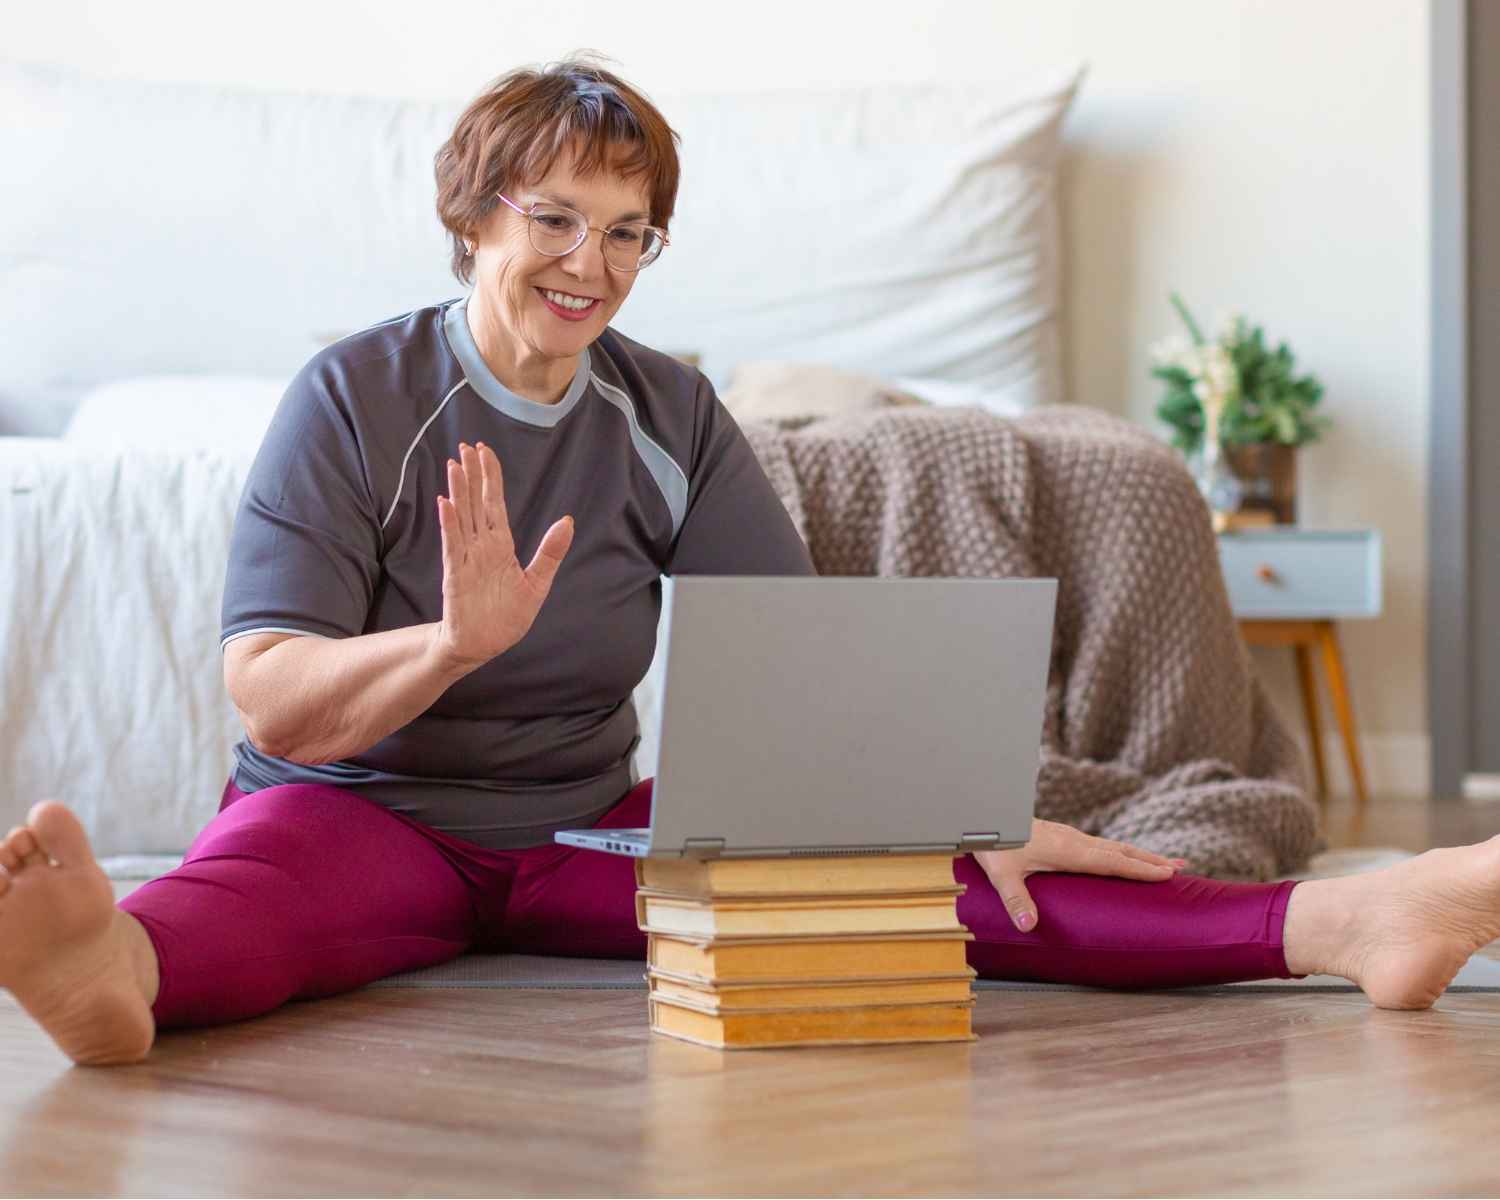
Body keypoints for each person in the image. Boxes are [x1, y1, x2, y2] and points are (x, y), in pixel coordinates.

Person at [2, 59, 1499, 1068]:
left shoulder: (668, 412)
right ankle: (108, 979)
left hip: (585, 823)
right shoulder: (353, 401)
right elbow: (270, 704)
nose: (592, 264)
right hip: (357, 813)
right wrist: (451, 645)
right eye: (557, 219)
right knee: (240, 909)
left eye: (631, 234)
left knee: (954, 892)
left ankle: (1357, 920)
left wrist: (952, 814)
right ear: (473, 216)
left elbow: (797, 660)